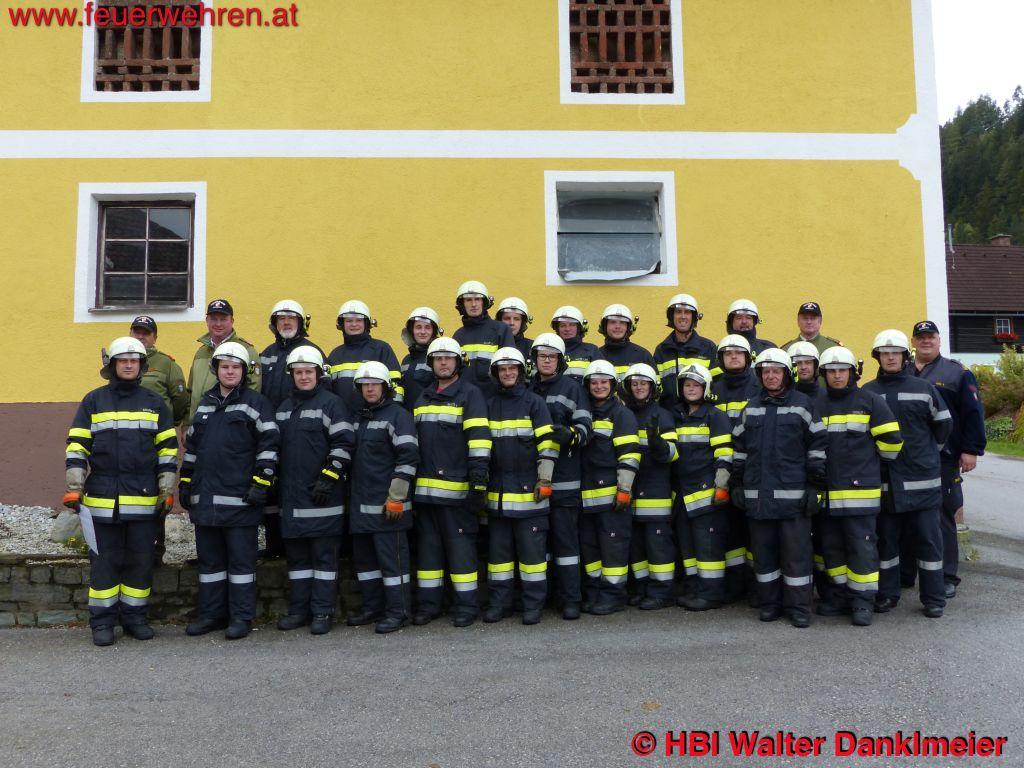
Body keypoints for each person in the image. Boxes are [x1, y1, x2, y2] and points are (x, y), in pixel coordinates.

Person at [64, 337, 177, 646]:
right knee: (105, 563)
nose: (129, 365)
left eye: (135, 360)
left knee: (140, 562)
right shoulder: (93, 401)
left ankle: (134, 619)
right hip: (102, 500)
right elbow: (77, 445)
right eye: (123, 360)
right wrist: (74, 488)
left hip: (142, 501)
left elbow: (167, 452)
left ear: (141, 366)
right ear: (112, 365)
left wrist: (167, 489)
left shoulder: (155, 403)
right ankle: (102, 623)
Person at [179, 342, 279, 640]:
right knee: (210, 565)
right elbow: (193, 449)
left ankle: (241, 617)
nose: (230, 371)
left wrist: (261, 484)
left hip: (241, 501)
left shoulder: (256, 403)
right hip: (206, 501)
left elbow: (270, 446)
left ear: (244, 371)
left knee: (240, 565)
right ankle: (212, 615)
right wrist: (186, 482)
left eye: (236, 367)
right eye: (225, 366)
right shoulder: (206, 404)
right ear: (216, 370)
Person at [730, 347, 826, 628]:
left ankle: (798, 608)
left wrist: (814, 486)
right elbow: (739, 449)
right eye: (766, 372)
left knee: (796, 557)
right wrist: (736, 483)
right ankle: (769, 604)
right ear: (760, 375)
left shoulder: (803, 404)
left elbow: (817, 448)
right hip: (758, 499)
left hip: (794, 500)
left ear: (787, 374)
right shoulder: (752, 407)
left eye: (777, 371)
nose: (771, 376)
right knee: (764, 556)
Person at [863, 330, 951, 618]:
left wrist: (927, 454)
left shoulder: (924, 388)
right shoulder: (869, 392)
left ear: (905, 355)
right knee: (887, 544)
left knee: (928, 542)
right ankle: (887, 595)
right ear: (878, 356)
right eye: (885, 352)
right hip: (886, 481)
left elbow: (943, 426)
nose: (890, 357)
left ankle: (934, 598)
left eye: (896, 352)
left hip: (922, 482)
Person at [814, 346, 902, 627]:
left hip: (860, 496)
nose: (837, 376)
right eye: (831, 371)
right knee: (832, 550)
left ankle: (863, 602)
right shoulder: (817, 405)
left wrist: (868, 469)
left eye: (842, 370)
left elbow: (892, 444)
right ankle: (840, 597)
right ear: (824, 374)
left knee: (862, 549)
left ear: (853, 373)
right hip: (827, 496)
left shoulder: (870, 401)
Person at [274, 346, 355, 635]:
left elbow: (344, 444)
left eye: (309, 371)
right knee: (297, 562)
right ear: (292, 375)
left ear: (319, 374)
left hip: (324, 498)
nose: (304, 376)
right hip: (292, 499)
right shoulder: (284, 408)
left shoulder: (332, 404)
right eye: (299, 372)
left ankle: (322, 612)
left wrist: (329, 477)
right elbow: (273, 449)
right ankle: (299, 610)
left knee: (323, 560)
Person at [411, 337, 491, 628]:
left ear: (459, 362)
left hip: (457, 494)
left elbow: (480, 442)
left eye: (448, 358)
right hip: (425, 494)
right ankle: (429, 606)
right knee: (429, 553)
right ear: (431, 363)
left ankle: (466, 607)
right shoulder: (422, 398)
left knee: (461, 553)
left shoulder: (470, 395)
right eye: (438, 358)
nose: (443, 362)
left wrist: (478, 482)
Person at [909, 320, 987, 598]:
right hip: (908, 460)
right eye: (921, 337)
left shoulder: (956, 373)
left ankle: (947, 577)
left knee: (942, 517)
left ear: (939, 341)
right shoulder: (903, 370)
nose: (926, 341)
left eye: (931, 337)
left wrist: (971, 449)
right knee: (908, 518)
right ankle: (910, 574)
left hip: (944, 456)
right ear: (914, 342)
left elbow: (973, 412)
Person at [484, 347, 558, 625]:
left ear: (521, 371)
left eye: (512, 369)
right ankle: (500, 604)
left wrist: (545, 479)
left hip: (531, 495)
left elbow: (548, 446)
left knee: (533, 560)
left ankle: (532, 605)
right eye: (502, 369)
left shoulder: (535, 403)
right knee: (499, 559)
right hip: (498, 497)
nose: (507, 373)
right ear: (496, 373)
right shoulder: (489, 404)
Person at [347, 361, 419, 634]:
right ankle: (373, 608)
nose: (370, 389)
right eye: (365, 385)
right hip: (361, 507)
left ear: (385, 387)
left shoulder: (397, 416)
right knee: (366, 565)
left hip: (389, 506)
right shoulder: (358, 418)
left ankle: (398, 612)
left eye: (375, 384)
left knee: (393, 565)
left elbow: (409, 457)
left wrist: (397, 496)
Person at [530, 332, 592, 620]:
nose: (546, 360)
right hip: (531, 480)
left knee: (566, 545)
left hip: (565, 480)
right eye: (542, 355)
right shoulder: (526, 387)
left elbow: (586, 427)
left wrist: (572, 436)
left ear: (560, 360)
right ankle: (543, 598)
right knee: (537, 547)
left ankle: (571, 600)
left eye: (551, 356)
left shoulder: (572, 388)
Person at [259, 299, 324, 560]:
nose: (286, 323)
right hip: (272, 430)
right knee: (272, 488)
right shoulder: (266, 354)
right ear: (274, 324)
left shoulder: (312, 351)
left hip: (304, 429)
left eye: (291, 319)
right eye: (281, 319)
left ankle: (299, 545)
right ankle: (276, 545)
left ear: (301, 323)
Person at [670, 363, 734, 611]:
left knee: (708, 546)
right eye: (687, 384)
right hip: (684, 494)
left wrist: (721, 486)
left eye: (696, 385)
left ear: (706, 388)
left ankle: (712, 593)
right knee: (688, 547)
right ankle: (694, 589)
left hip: (707, 492)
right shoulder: (677, 414)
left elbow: (724, 454)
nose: (691, 389)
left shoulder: (714, 416)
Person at [579, 359, 640, 615]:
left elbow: (629, 455)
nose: (599, 386)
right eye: (594, 382)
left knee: (613, 548)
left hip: (612, 495)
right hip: (586, 495)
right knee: (590, 547)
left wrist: (624, 490)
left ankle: (614, 595)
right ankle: (595, 592)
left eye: (604, 382)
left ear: (613, 385)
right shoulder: (584, 413)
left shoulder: (621, 414)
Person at [128, 315, 188, 563]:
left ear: (155, 337)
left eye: (146, 332)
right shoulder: (122, 359)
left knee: (158, 493)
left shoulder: (166, 364)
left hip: (155, 441)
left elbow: (180, 400)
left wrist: (166, 424)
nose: (141, 336)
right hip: (125, 441)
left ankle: (156, 546)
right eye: (137, 331)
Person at [619, 364, 678, 610]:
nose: (639, 387)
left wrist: (658, 445)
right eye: (635, 384)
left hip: (656, 492)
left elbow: (673, 454)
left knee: (658, 546)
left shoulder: (662, 415)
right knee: (637, 545)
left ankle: (662, 591)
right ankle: (642, 588)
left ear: (653, 387)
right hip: (633, 492)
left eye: (644, 383)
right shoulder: (625, 414)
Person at [710, 334, 760, 600]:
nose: (733, 356)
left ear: (747, 357)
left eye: (738, 353)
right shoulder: (713, 386)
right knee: (727, 530)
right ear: (720, 358)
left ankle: (753, 586)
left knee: (752, 530)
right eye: (728, 353)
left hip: (750, 466)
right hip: (719, 467)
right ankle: (733, 585)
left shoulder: (757, 386)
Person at [787, 341, 827, 598]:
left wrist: (818, 482)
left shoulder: (825, 397)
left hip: (822, 478)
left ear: (816, 367)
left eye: (807, 363)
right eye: (797, 363)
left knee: (824, 541)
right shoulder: (780, 398)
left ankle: (824, 591)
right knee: (796, 544)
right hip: (791, 482)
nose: (802, 367)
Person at [187, 299, 260, 423]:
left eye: (223, 319)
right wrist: (187, 424)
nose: (218, 324)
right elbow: (190, 392)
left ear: (232, 321)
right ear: (207, 321)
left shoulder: (246, 350)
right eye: (214, 319)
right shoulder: (201, 353)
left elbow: (254, 389)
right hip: (198, 424)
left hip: (231, 423)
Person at [327, 300, 403, 412]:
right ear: (342, 325)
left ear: (367, 324)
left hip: (375, 418)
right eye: (349, 321)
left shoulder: (381, 349)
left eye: (358, 320)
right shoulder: (335, 354)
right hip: (343, 418)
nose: (354, 324)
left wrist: (392, 414)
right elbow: (328, 390)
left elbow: (396, 385)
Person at [653, 293, 720, 409]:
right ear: (671, 316)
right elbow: (657, 389)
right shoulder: (661, 350)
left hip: (701, 417)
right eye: (678, 312)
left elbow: (717, 385)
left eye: (687, 312)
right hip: (670, 416)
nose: (683, 316)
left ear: (694, 317)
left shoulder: (708, 348)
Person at [452, 281, 515, 398]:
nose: (474, 304)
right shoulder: (458, 335)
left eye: (477, 299)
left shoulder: (500, 330)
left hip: (494, 400)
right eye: (468, 300)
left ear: (484, 302)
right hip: (465, 400)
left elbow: (510, 367)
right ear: (462, 304)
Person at [399, 307, 444, 413]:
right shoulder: (406, 360)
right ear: (411, 331)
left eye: (427, 327)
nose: (423, 332)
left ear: (434, 331)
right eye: (418, 327)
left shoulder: (438, 358)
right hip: (407, 420)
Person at [597, 304, 655, 378]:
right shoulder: (596, 355)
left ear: (628, 327)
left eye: (622, 322)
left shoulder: (643, 356)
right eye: (613, 322)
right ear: (604, 326)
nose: (617, 326)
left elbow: (655, 387)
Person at [551, 305, 603, 383]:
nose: (567, 329)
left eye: (572, 325)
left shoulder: (592, 350)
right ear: (557, 329)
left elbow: (601, 380)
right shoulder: (550, 350)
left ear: (579, 328)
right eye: (563, 325)